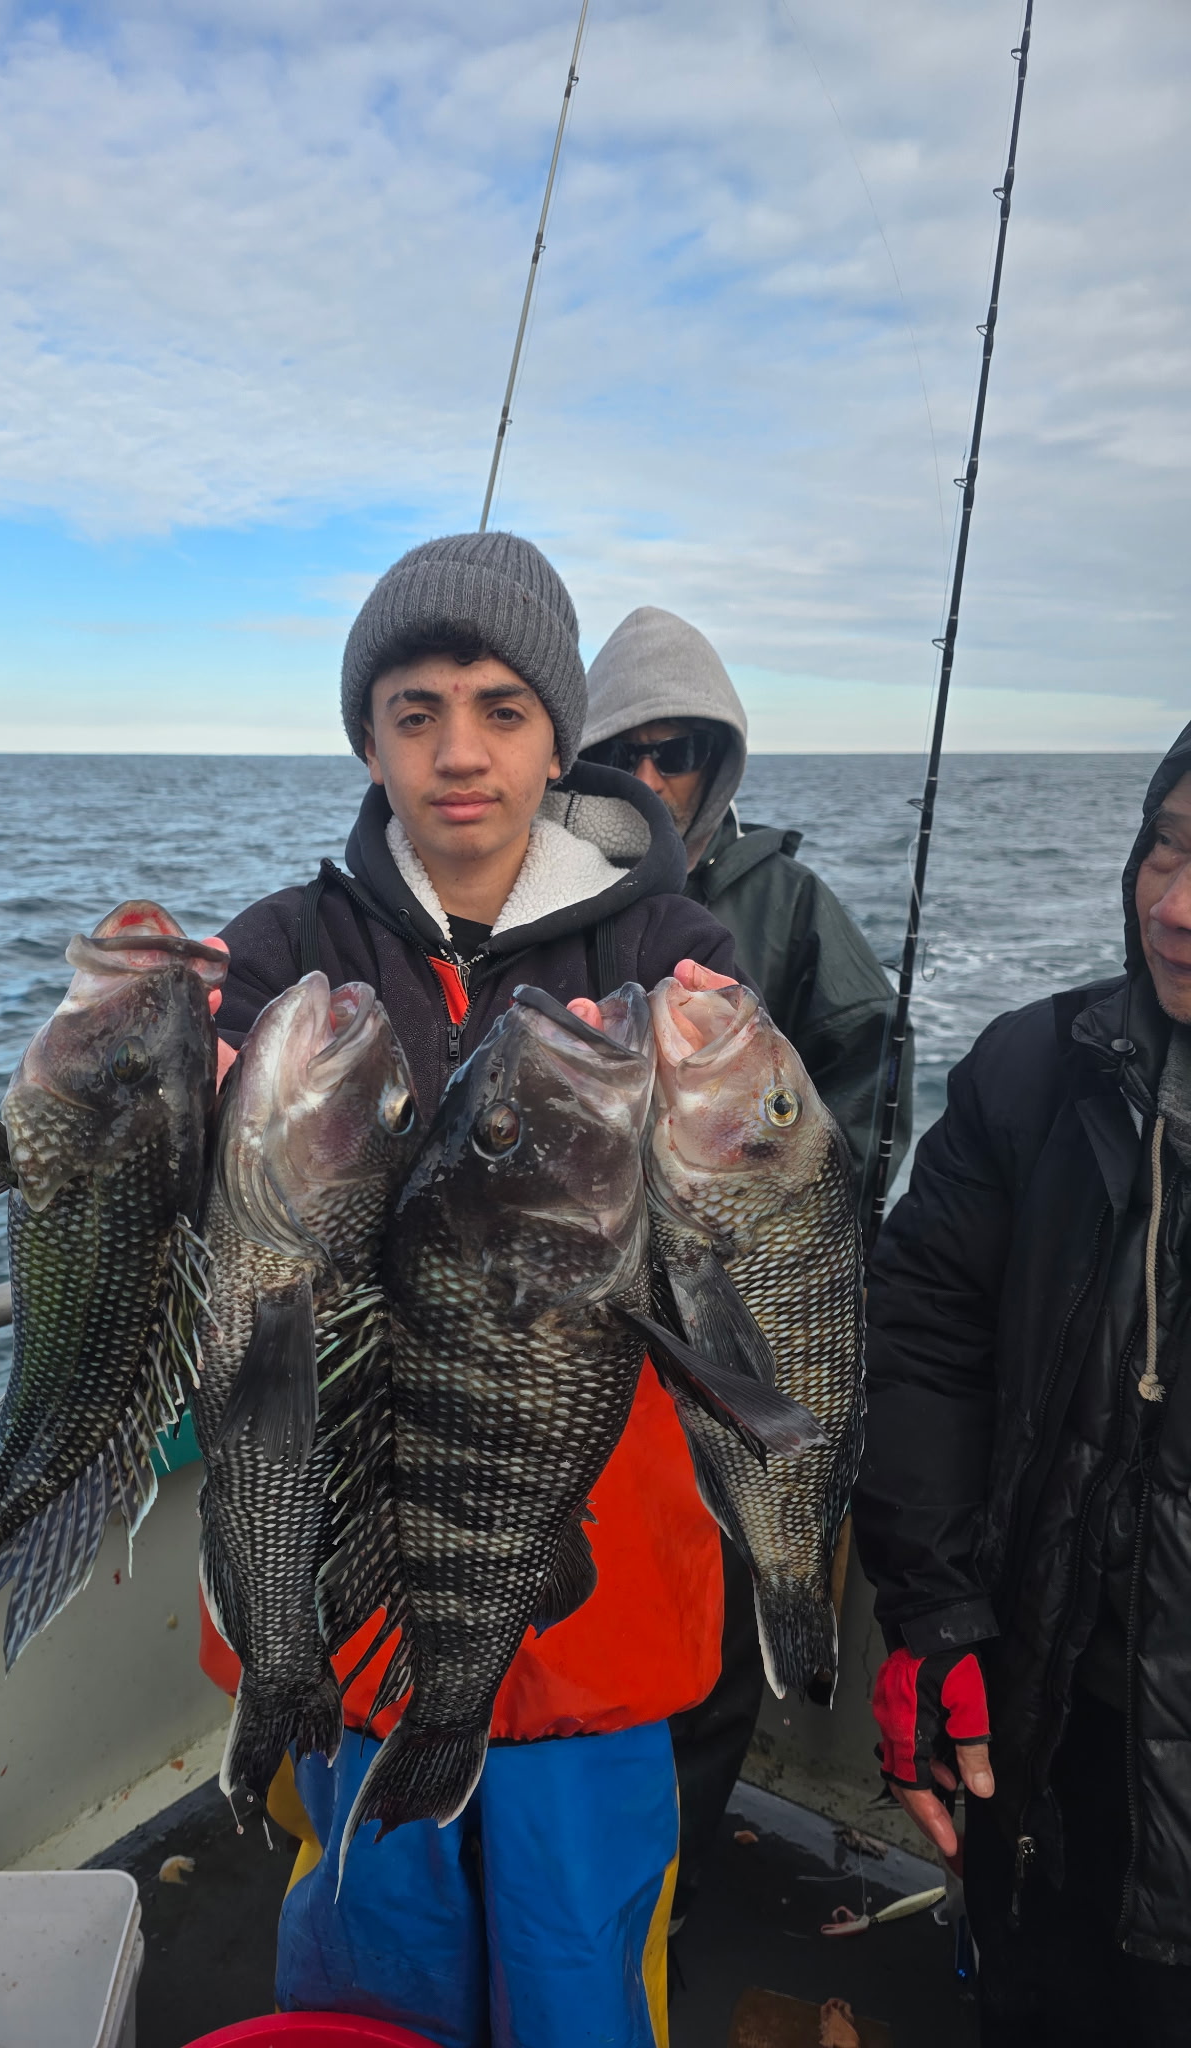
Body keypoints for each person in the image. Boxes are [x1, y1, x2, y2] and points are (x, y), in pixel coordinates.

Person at [202, 530, 740, 2048]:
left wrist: (718, 1113)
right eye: (416, 711)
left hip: (597, 1569)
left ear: (562, 739)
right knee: (381, 1948)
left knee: (581, 1963)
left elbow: (744, 1212)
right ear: (367, 739)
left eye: (503, 710)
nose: (459, 752)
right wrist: (184, 1094)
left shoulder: (672, 946)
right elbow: (207, 1217)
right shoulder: (286, 948)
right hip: (355, 1564)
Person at [854, 721, 1191, 2046]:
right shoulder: (1032, 1070)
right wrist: (936, 1617)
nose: (1175, 906)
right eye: (1164, 849)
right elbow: (922, 1337)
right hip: (1048, 1736)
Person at [580, 603, 912, 1925]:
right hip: (586, 1337)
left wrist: (787, 1227)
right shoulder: (548, 902)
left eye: (677, 753)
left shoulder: (789, 905)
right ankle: (560, 1876)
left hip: (735, 1328)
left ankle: (670, 1883)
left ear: (715, 763)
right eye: (624, 753)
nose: (652, 778)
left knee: (717, 1621)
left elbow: (862, 1088)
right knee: (574, 1607)